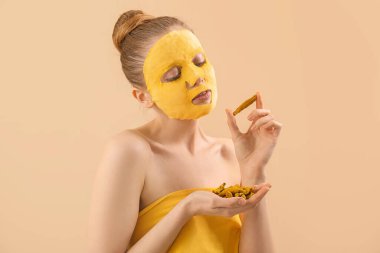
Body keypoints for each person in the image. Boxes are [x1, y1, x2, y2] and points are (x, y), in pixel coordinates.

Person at [87, 9, 282, 253]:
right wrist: (186, 209)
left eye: (199, 62)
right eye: (173, 75)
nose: (197, 77)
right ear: (143, 96)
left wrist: (254, 170)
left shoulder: (231, 152)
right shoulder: (131, 151)